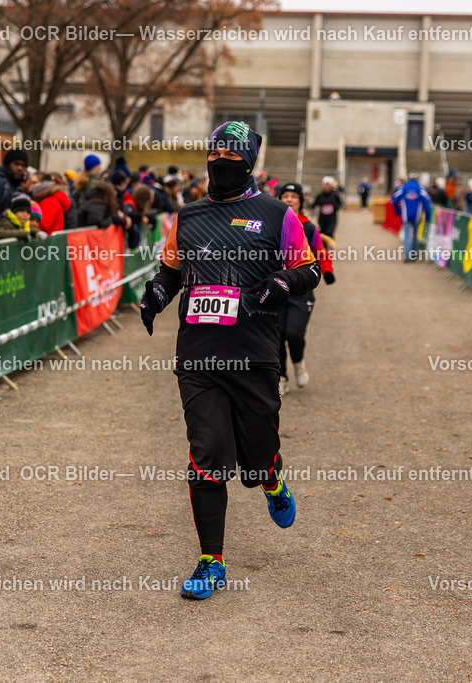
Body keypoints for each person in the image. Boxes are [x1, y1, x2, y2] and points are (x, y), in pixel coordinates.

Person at [139, 121, 320, 600]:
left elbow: (308, 269)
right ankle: (210, 561)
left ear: (248, 163)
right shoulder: (189, 216)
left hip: (255, 355)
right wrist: (156, 293)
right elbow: (170, 270)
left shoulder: (278, 214)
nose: (220, 165)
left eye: (230, 159)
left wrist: (283, 283)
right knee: (207, 456)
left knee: (254, 461)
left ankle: (271, 474)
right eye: (213, 156)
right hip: (198, 356)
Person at [275, 182, 335, 395]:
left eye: (294, 196)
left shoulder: (308, 227)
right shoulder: (272, 223)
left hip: (301, 291)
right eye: (285, 196)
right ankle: (281, 377)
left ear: (301, 202)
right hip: (276, 290)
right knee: (277, 335)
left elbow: (319, 251)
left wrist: (327, 271)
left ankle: (298, 363)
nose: (289, 199)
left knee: (294, 333)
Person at [392, 174, 431, 262]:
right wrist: (427, 216)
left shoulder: (404, 188)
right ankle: (413, 255)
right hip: (417, 216)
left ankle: (407, 257)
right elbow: (427, 202)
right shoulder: (420, 188)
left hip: (406, 216)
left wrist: (397, 211)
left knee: (406, 235)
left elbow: (395, 198)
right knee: (415, 235)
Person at [0, 149, 29, 217]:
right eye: (16, 164)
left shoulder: (17, 184)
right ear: (8, 164)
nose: (20, 168)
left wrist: (26, 191)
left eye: (23, 165)